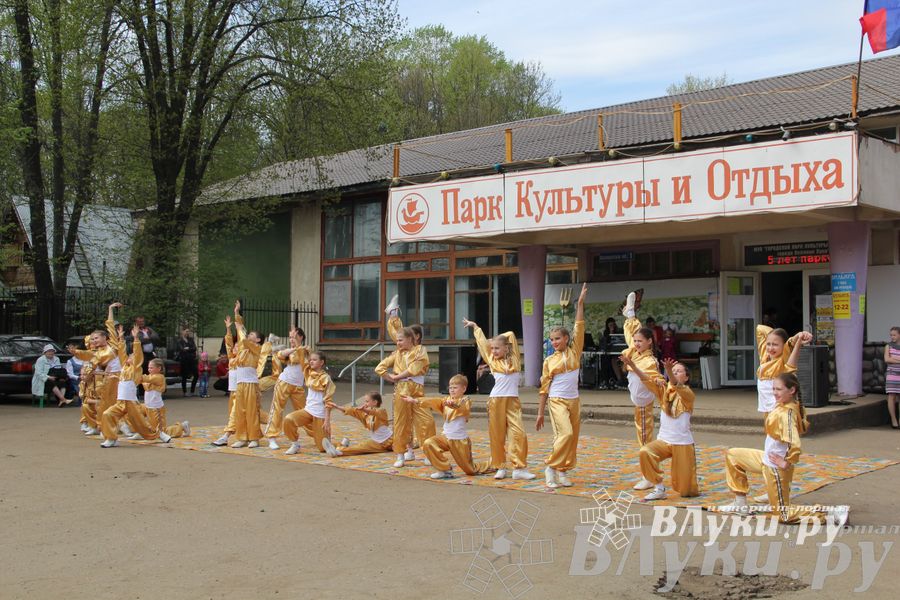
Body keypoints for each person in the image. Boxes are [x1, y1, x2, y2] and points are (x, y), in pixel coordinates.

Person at [717, 372, 849, 527]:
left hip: (775, 468)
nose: (774, 392)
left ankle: (831, 515)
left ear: (791, 390)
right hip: (766, 460)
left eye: (778, 389)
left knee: (783, 515)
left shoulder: (787, 413)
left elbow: (795, 442)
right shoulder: (785, 406)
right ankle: (740, 503)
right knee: (733, 455)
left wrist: (786, 462)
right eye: (773, 389)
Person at [463, 317, 535, 480]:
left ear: (506, 348)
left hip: (512, 401)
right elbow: (482, 344)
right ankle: (500, 466)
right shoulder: (491, 359)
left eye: (497, 348)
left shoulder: (515, 357)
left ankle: (519, 468)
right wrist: (476, 327)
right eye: (492, 348)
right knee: (497, 435)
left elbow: (510, 334)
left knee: (519, 434)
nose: (493, 350)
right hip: (496, 401)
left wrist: (494, 338)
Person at [621, 355, 699, 501]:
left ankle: (685, 484)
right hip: (664, 441)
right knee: (645, 451)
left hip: (682, 443)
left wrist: (668, 370)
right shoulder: (663, 390)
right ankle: (659, 488)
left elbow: (676, 385)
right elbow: (646, 379)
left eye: (678, 371)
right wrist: (633, 366)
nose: (674, 373)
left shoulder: (688, 395)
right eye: (673, 370)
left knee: (687, 491)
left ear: (687, 377)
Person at [537, 282, 588, 489]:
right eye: (551, 339)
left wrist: (580, 304)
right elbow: (543, 390)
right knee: (564, 434)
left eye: (557, 338)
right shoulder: (549, 361)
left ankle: (563, 470)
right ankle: (550, 466)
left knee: (572, 438)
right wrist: (540, 412)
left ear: (567, 339)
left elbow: (579, 325)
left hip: (574, 400)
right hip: (557, 401)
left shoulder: (575, 351)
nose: (554, 342)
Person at [375, 298, 434, 468]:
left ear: (412, 339)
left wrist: (396, 376)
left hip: (416, 390)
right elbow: (380, 367)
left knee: (426, 421)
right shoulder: (397, 353)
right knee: (401, 422)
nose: (398, 342)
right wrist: (389, 377)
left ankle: (429, 452)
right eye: (397, 340)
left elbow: (415, 368)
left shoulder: (419, 350)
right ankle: (400, 453)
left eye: (401, 340)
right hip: (401, 390)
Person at [403, 374, 490, 479]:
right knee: (428, 443)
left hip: (459, 441)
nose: (452, 390)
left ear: (463, 388)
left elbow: (461, 408)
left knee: (471, 470)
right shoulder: (445, 400)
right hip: (445, 438)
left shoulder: (466, 400)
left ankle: (493, 463)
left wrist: (452, 405)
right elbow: (432, 401)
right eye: (450, 387)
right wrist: (415, 400)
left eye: (455, 387)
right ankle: (445, 470)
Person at [99, 325, 168, 447]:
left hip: (131, 403)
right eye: (129, 356)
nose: (129, 357)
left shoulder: (136, 369)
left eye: (131, 356)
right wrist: (121, 339)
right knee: (107, 414)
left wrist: (136, 338)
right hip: (121, 402)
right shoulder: (124, 367)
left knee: (142, 425)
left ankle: (159, 434)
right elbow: (121, 353)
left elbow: (138, 354)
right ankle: (111, 438)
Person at [620, 291, 661, 491]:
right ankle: (630, 315)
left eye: (640, 342)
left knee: (645, 441)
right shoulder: (636, 353)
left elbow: (655, 380)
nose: (636, 344)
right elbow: (632, 340)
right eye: (636, 342)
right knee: (643, 440)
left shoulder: (648, 360)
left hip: (644, 405)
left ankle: (650, 477)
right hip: (638, 404)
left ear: (650, 342)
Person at [283, 350, 339, 456]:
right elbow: (301, 359)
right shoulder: (308, 372)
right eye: (310, 360)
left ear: (321, 362)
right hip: (308, 411)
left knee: (322, 448)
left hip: (320, 415)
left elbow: (328, 401)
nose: (311, 362)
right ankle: (295, 444)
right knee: (288, 419)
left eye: (314, 360)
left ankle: (342, 444)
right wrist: (297, 343)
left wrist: (327, 420)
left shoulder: (326, 379)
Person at [264, 326, 308, 450]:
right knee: (277, 409)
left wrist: (298, 349)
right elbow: (280, 354)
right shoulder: (290, 350)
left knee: (306, 411)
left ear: (301, 337)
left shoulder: (306, 350)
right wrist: (292, 349)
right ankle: (271, 437)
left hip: (298, 386)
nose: (291, 339)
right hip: (284, 382)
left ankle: (317, 435)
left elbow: (307, 358)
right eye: (290, 337)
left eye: (293, 337)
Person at [755, 325, 811, 415]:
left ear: (784, 345)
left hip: (779, 405)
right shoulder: (764, 355)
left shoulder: (783, 359)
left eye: (775, 344)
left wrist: (799, 335)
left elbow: (790, 343)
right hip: (766, 406)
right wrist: (773, 334)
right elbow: (759, 329)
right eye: (768, 344)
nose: (770, 348)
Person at [325, 392, 393, 456]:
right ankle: (340, 450)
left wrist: (364, 410)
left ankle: (341, 447)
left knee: (401, 447)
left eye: (367, 401)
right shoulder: (364, 414)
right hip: (377, 443)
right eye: (365, 401)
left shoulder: (382, 412)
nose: (365, 403)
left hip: (391, 440)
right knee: (361, 447)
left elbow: (374, 412)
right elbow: (351, 410)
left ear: (375, 402)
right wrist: (336, 406)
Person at [137, 358, 190, 441]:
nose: (149, 369)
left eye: (151, 368)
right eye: (148, 367)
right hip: (148, 406)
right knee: (136, 411)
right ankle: (143, 432)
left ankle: (181, 426)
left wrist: (134, 372)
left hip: (156, 408)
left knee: (161, 431)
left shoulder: (160, 377)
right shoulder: (150, 376)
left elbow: (145, 379)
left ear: (159, 368)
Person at [599, 317, 625, 389]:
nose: (612, 326)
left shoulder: (619, 331)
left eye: (613, 325)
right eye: (610, 325)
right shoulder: (606, 333)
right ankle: (614, 379)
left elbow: (622, 341)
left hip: (620, 352)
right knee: (607, 359)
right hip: (611, 352)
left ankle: (622, 379)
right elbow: (605, 343)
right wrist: (610, 332)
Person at [885, 326, 900, 429]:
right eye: (891, 335)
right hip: (891, 374)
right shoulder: (888, 346)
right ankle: (893, 420)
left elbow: (891, 359)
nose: (892, 337)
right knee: (892, 396)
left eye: (894, 335)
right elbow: (886, 359)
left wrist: (893, 358)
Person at [176, 328, 198, 396]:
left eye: (188, 331)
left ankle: (192, 391)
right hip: (184, 360)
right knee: (184, 376)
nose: (187, 333)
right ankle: (184, 392)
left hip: (192, 359)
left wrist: (188, 348)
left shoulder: (191, 339)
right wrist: (189, 349)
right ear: (182, 332)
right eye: (186, 331)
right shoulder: (179, 340)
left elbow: (194, 348)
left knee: (196, 375)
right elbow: (182, 349)